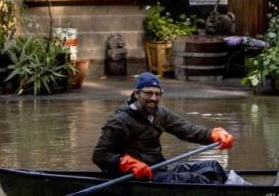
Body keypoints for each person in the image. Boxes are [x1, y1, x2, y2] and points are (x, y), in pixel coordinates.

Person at [92, 72, 248, 185]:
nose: (154, 99)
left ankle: (247, 188)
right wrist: (127, 163)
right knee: (200, 181)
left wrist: (214, 134)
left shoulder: (160, 113)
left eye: (157, 94)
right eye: (148, 93)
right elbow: (99, 155)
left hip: (160, 168)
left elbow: (187, 130)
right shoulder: (120, 121)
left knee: (213, 167)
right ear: (137, 94)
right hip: (138, 177)